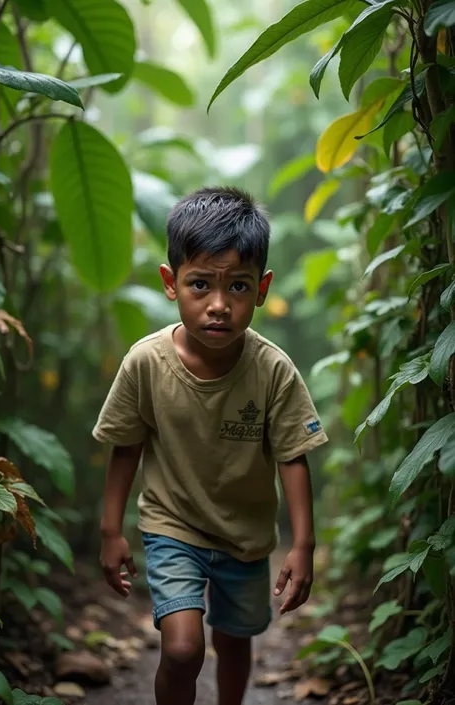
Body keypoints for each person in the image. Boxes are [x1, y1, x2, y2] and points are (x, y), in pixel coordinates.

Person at [92, 186, 328, 705]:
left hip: (244, 536)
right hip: (171, 525)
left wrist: (304, 544)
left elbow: (292, 455)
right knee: (180, 649)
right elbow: (125, 446)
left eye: (238, 287)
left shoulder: (272, 370)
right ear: (170, 283)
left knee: (235, 640)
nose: (219, 305)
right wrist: (111, 530)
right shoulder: (146, 362)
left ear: (262, 288)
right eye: (200, 284)